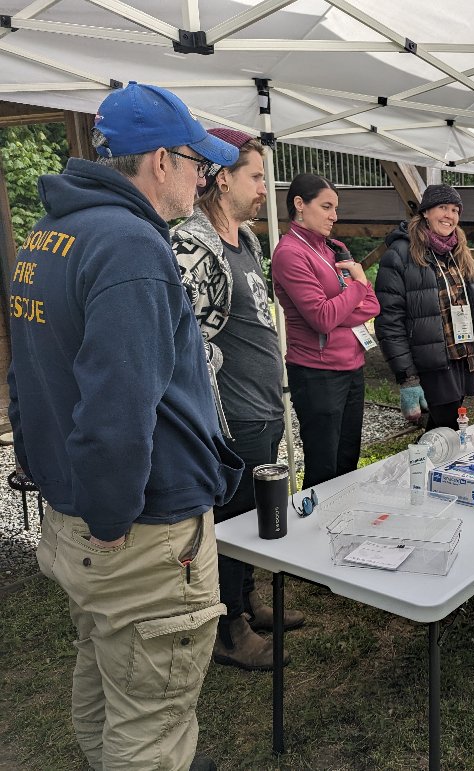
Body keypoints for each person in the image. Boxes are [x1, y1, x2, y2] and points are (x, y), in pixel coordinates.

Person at [8, 82, 243, 770]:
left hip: (81, 523)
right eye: (197, 160)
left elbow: (26, 375)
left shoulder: (49, 236)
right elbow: (116, 414)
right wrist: (110, 517)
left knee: (106, 683)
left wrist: (61, 487)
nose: (205, 176)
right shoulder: (131, 247)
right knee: (149, 729)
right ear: (159, 162)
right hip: (138, 536)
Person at [172, 129, 305, 673]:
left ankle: (247, 601)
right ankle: (228, 629)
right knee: (227, 522)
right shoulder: (191, 247)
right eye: (255, 177)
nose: (264, 191)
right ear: (221, 177)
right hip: (232, 418)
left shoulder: (247, 243)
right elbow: (185, 343)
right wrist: (213, 422)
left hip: (264, 409)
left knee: (252, 515)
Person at [272, 173, 380, 487]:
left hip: (352, 365)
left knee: (348, 458)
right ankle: (315, 531)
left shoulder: (335, 247)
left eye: (336, 208)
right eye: (327, 206)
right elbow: (321, 317)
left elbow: (371, 306)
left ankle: (343, 524)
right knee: (323, 466)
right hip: (317, 372)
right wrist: (355, 290)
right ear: (299, 205)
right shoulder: (290, 253)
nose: (335, 215)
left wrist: (342, 305)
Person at [375, 183, 474, 429]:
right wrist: (407, 377)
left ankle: (428, 465)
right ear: (426, 212)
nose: (450, 215)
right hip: (431, 364)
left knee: (445, 429)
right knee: (447, 427)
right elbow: (389, 321)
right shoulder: (399, 255)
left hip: (462, 358)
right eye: (442, 207)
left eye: (455, 210)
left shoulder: (459, 253)